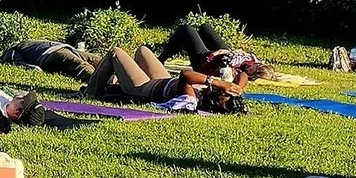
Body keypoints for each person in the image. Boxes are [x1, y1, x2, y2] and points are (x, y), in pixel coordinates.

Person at [85, 43, 246, 110]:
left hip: (143, 88)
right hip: (161, 80)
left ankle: (91, 92)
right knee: (143, 50)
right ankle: (117, 80)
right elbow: (244, 75)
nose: (222, 92)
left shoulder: (190, 99)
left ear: (215, 101)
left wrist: (218, 82)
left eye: (223, 95)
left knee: (116, 52)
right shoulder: (212, 91)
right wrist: (238, 88)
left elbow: (186, 75)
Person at [157, 23, 274, 82]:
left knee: (186, 30)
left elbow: (210, 69)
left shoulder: (235, 73)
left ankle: (160, 60)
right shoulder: (251, 62)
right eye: (257, 65)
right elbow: (247, 57)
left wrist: (216, 53)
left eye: (255, 68)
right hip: (224, 55)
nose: (254, 65)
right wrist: (237, 52)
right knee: (205, 28)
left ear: (253, 75)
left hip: (206, 62)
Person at [2, 39, 96, 82]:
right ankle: (104, 83)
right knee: (80, 66)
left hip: (66, 49)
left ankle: (107, 75)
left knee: (99, 60)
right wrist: (32, 67)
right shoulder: (12, 50)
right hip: (50, 54)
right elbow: (16, 61)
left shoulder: (21, 45)